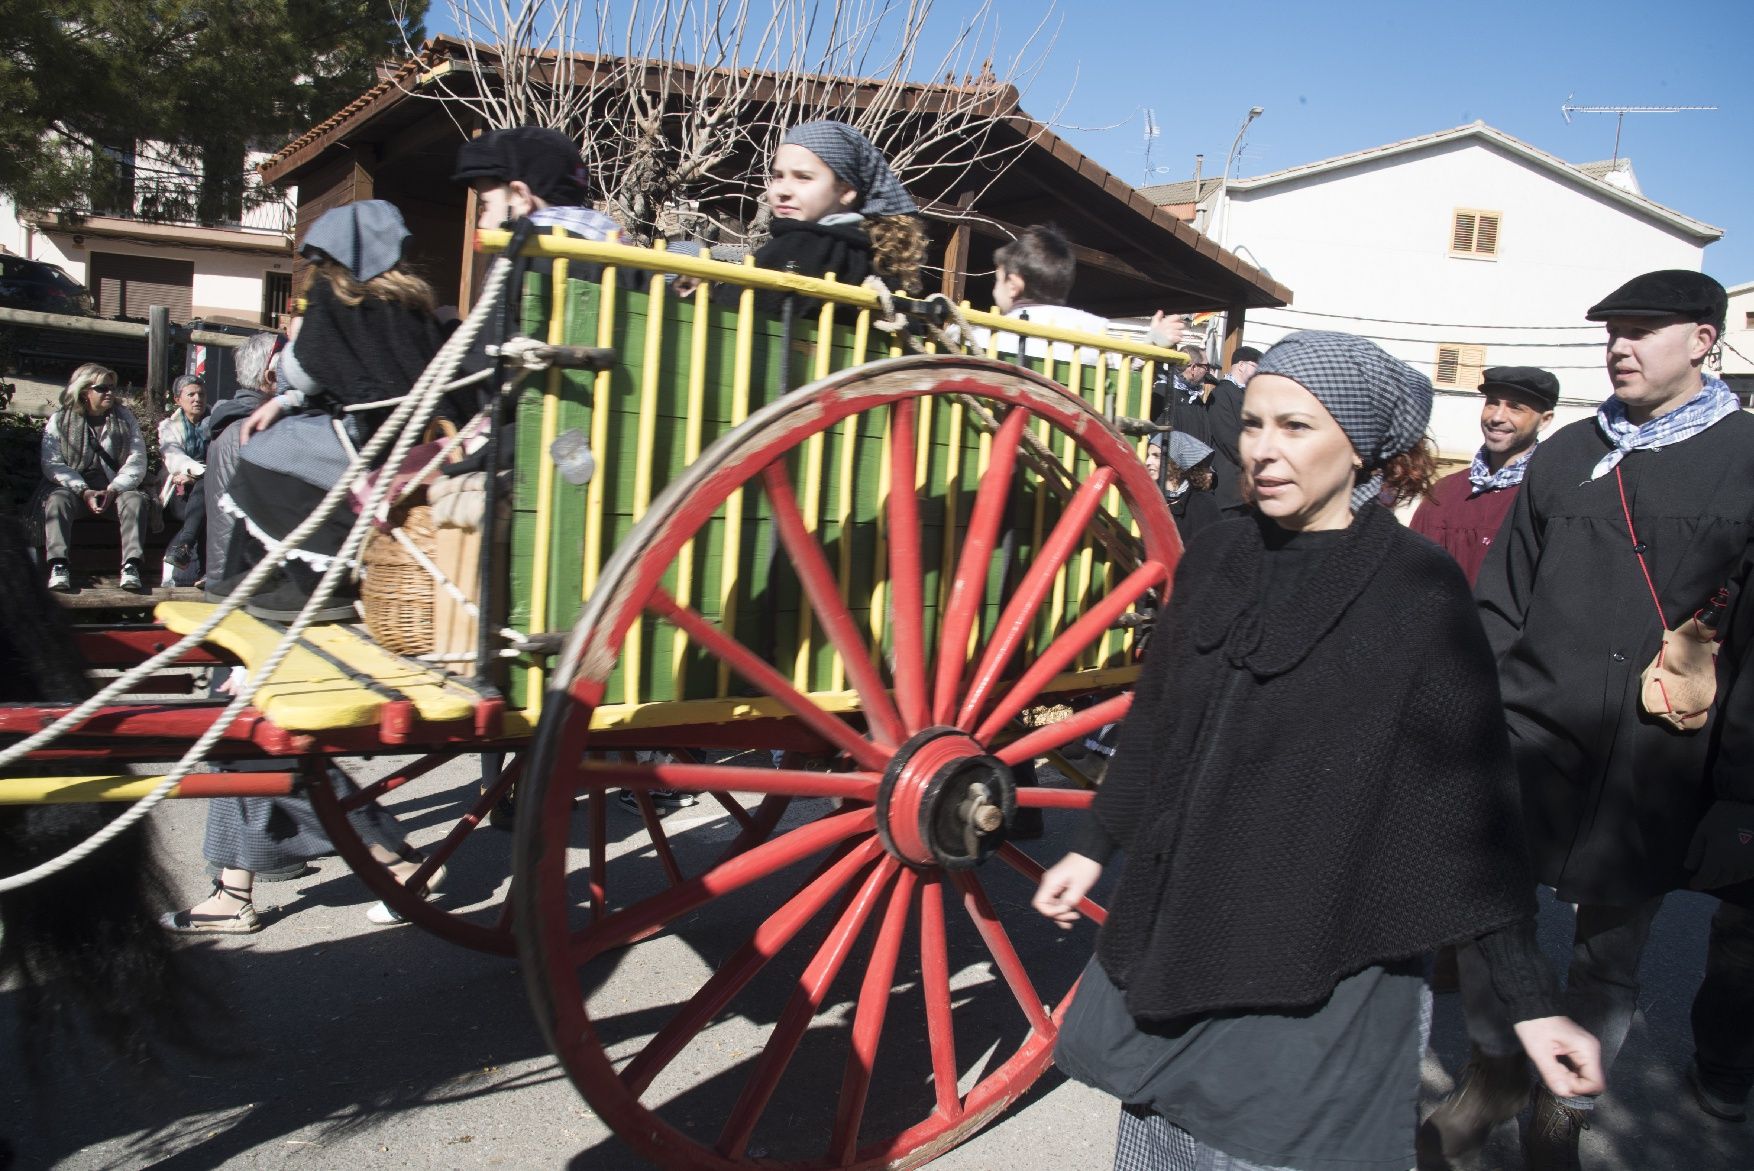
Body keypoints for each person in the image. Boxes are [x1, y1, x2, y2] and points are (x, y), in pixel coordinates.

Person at [1032, 330, 1602, 1171]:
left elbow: (1470, 810)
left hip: (1318, 965)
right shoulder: (1220, 550)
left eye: (1295, 427)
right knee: (1159, 1148)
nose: (1261, 450)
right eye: (1254, 423)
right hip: (1180, 927)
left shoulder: (1416, 587)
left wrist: (1530, 1002)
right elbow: (1157, 721)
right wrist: (1093, 846)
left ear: (1364, 444)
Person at [1428, 270, 1754, 1168]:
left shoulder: (1746, 458)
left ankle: (1561, 1108)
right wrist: (1474, 721)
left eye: (1644, 328)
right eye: (1614, 328)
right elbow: (1500, 607)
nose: (1620, 343)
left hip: (1659, 760)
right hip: (1534, 737)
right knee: (1496, 921)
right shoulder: (1567, 455)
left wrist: (1738, 789)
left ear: (1702, 339)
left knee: (1612, 951)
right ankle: (1496, 1068)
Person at [217, 200, 448, 622]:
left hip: (361, 442)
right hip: (407, 444)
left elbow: (302, 374)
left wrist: (287, 387)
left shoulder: (334, 297)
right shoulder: (413, 305)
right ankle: (271, 576)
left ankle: (311, 584)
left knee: (261, 450)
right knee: (285, 437)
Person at [1409, 366, 1556, 586]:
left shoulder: (1551, 496)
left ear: (1544, 420)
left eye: (1515, 407)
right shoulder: (1444, 493)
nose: (1497, 417)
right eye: (1492, 403)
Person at [37, 363, 150, 594]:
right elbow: (53, 464)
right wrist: (83, 490)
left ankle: (131, 566)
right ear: (84, 392)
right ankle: (59, 565)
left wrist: (115, 489)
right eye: (102, 388)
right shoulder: (60, 420)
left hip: (113, 488)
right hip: (77, 491)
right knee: (57, 501)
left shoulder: (125, 418)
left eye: (112, 388)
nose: (110, 393)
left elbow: (137, 459)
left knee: (135, 501)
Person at [157, 373, 209, 586]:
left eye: (202, 394)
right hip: (181, 491)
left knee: (205, 489)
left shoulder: (215, 421)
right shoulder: (168, 426)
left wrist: (197, 476)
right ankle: (204, 570)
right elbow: (174, 457)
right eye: (191, 394)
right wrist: (196, 472)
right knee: (205, 501)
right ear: (178, 399)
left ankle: (184, 548)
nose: (198, 399)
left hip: (209, 485)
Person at [1201, 344, 1261, 517]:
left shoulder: (1248, 394)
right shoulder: (1221, 394)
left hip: (1245, 488)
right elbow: (1227, 438)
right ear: (1241, 365)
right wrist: (1254, 460)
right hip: (1229, 487)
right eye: (1256, 366)